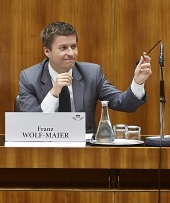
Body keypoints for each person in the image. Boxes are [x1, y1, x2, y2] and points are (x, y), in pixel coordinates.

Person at [17, 21, 152, 132]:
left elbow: (123, 103)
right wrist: (53, 93)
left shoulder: (91, 73)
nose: (71, 53)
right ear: (47, 51)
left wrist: (138, 82)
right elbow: (30, 125)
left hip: (85, 152)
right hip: (44, 151)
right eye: (63, 48)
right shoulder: (29, 78)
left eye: (73, 46)